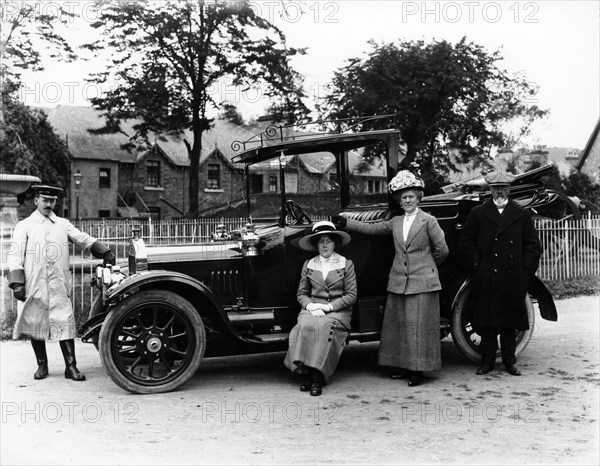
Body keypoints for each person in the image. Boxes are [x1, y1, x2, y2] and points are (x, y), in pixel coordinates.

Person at [334, 170, 449, 387]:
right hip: (398, 281)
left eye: (411, 197)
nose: (407, 200)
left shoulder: (429, 221)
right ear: (399, 199)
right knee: (401, 327)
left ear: (418, 197)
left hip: (422, 282)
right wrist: (345, 223)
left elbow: (442, 250)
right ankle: (402, 367)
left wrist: (427, 267)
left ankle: (418, 371)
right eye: (403, 197)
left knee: (419, 328)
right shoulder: (396, 222)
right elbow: (371, 228)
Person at [6, 185, 116, 381]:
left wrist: (104, 250)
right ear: (36, 201)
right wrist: (17, 283)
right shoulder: (25, 226)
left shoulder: (62, 224)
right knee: (35, 323)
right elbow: (15, 255)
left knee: (64, 322)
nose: (49, 204)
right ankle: (42, 365)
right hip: (35, 284)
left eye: (52, 201)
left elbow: (82, 239)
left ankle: (71, 367)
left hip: (58, 284)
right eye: (45, 200)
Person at [458, 170, 542, 376]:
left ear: (509, 189)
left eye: (503, 187)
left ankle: (509, 362)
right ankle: (486, 362)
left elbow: (533, 246)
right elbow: (465, 242)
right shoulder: (478, 212)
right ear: (490, 189)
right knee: (487, 322)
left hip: (513, 276)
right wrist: (477, 264)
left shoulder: (521, 214)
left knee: (509, 322)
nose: (499, 191)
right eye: (495, 188)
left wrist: (524, 270)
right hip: (487, 274)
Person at [284, 221, 357, 396]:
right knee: (304, 326)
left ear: (335, 243)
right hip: (313, 308)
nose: (325, 245)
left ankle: (316, 378)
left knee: (323, 328)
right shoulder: (309, 264)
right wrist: (310, 305)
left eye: (328, 241)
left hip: (337, 311)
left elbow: (351, 295)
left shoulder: (346, 264)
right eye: (320, 241)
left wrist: (328, 307)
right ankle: (309, 374)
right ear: (315, 244)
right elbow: (301, 293)